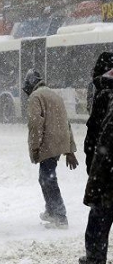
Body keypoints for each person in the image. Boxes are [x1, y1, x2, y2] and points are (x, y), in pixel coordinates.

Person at [23, 69, 79, 229]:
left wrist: (35, 147)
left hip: (47, 144)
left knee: (48, 179)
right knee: (45, 177)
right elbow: (66, 123)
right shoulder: (55, 95)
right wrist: (69, 150)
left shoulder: (36, 97)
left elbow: (35, 125)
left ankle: (60, 216)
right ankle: (51, 211)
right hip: (59, 143)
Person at [79, 52, 113, 264]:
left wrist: (94, 179)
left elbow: (102, 141)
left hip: (107, 171)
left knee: (100, 214)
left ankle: (95, 258)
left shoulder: (104, 95)